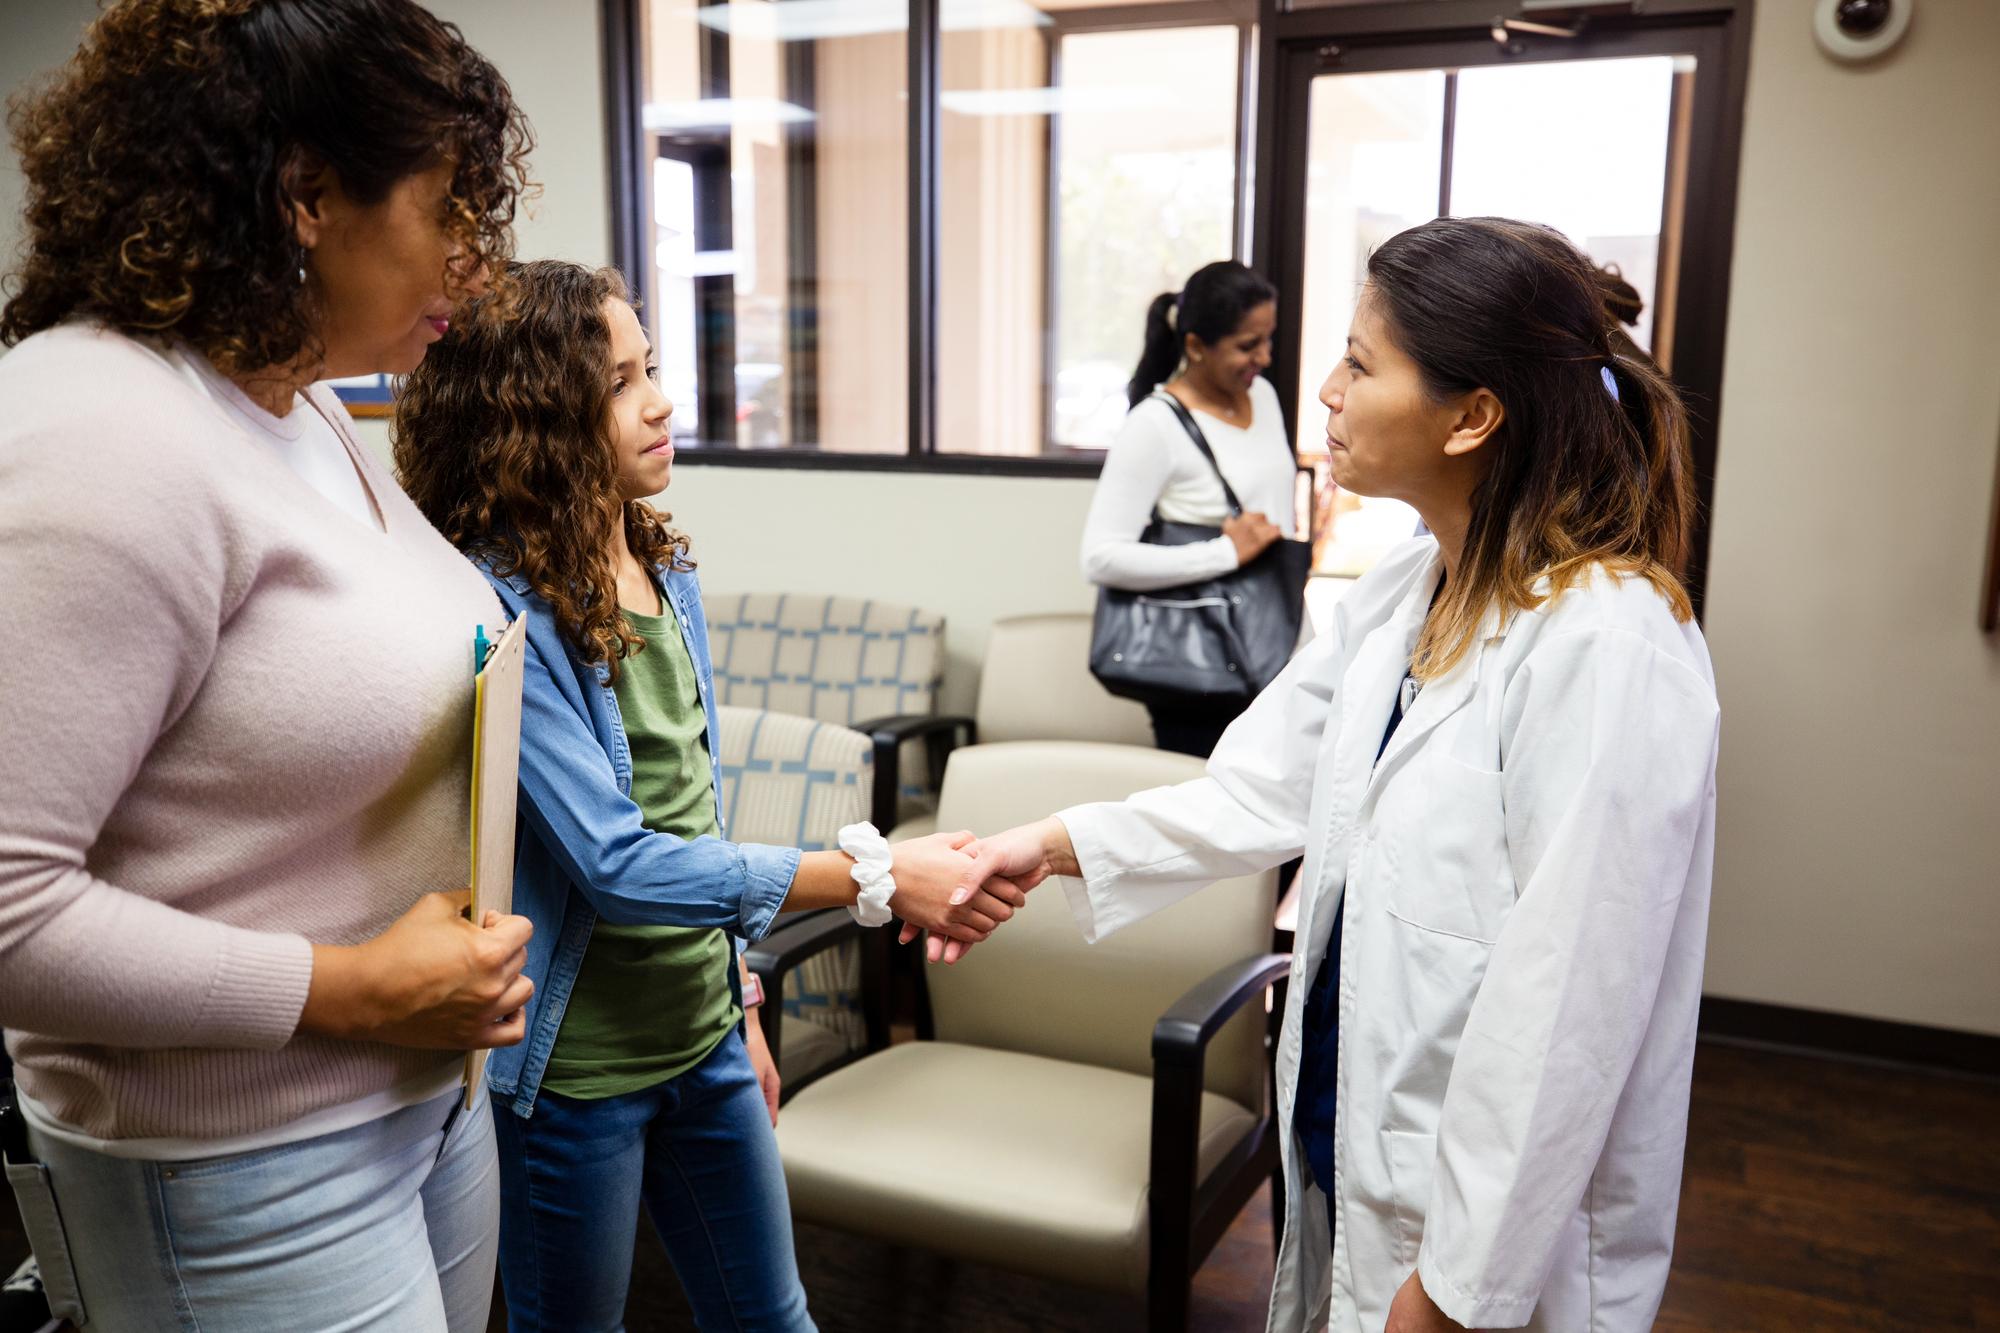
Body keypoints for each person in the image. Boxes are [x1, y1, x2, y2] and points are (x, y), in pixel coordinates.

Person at [946, 217, 1719, 1331]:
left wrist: (1455, 1295)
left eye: (1359, 362)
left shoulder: (1607, 640)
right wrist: (1044, 842)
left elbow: (1567, 1016)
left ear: (1472, 415)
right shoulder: (1408, 586)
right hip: (1346, 1137)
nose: (1322, 390)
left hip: (1483, 1241)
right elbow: (1253, 787)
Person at [0, 1, 539, 1328]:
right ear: (307, 194)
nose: (481, 262)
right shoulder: (104, 430)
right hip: (240, 1164)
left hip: (411, 1102)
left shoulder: (306, 409)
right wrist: (352, 988)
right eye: (451, 211)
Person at [394, 260, 1028, 1332]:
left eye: (654, 370)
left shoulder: (659, 565)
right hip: (575, 1076)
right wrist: (871, 875)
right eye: (620, 383)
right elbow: (617, 863)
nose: (661, 403)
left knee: (773, 1319)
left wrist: (740, 1007)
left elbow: (694, 812)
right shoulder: (498, 606)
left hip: (703, 1043)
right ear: (538, 421)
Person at [1080, 260, 1302, 757]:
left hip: (1277, 641)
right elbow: (1099, 558)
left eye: (1268, 339)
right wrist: (1225, 552)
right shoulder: (1154, 424)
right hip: (1203, 666)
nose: (1264, 357)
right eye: (1248, 345)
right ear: (1196, 346)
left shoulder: (1261, 396)